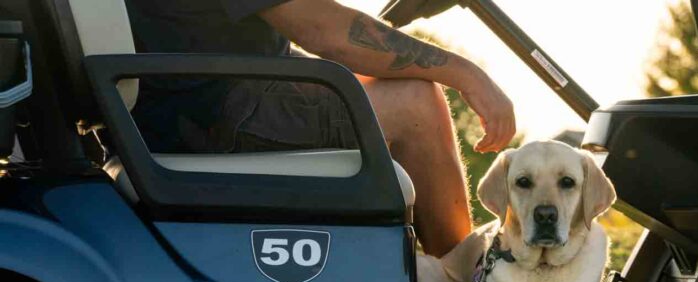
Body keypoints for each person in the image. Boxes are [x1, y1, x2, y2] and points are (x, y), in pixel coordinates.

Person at [124, 0, 516, 257]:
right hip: (213, 115)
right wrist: (465, 73)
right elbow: (324, 32)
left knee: (372, 83)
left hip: (206, 100)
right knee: (415, 104)